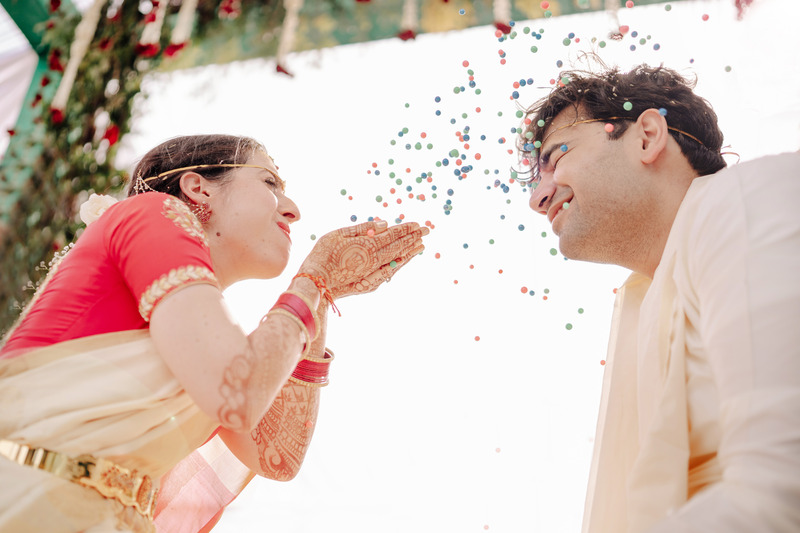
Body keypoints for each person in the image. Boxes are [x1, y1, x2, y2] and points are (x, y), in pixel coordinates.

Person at [0, 134, 429, 532]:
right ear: (199, 189)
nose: (292, 208)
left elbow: (277, 453)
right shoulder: (150, 213)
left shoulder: (204, 342)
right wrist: (311, 283)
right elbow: (240, 393)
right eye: (270, 182)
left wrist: (319, 292)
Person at [519, 64, 800, 532]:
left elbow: (780, 488)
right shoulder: (646, 300)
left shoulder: (745, 200)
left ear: (647, 136)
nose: (537, 197)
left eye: (557, 154)